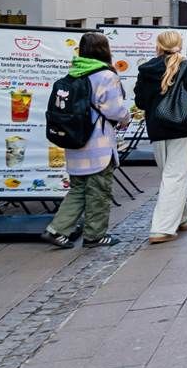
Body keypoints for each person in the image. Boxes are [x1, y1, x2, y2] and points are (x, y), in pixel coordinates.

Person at [42, 31, 131, 250]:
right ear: (104, 50)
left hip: (75, 141)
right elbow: (115, 110)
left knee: (78, 189)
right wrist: (126, 118)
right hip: (98, 144)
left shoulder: (74, 73)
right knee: (99, 191)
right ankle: (95, 235)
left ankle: (57, 230)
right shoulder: (106, 76)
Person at [133, 30, 187, 243]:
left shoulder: (147, 69)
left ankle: (183, 217)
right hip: (182, 127)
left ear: (158, 46)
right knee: (175, 177)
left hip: (156, 129)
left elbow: (140, 101)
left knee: (170, 175)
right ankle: (161, 228)